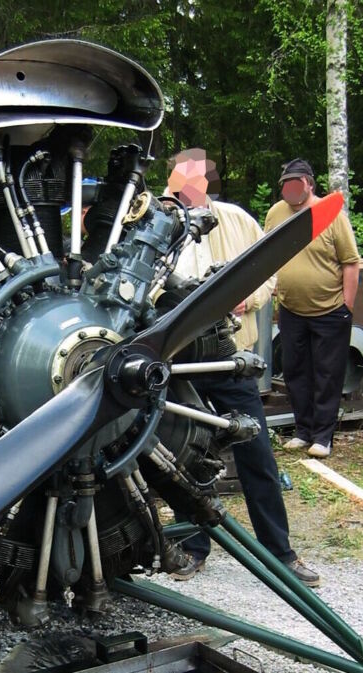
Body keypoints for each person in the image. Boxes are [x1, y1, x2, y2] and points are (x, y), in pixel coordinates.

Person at [165, 149, 320, 586]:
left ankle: (280, 553)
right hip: (179, 361)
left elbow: (269, 272)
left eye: (195, 178)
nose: (187, 187)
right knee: (185, 456)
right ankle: (192, 547)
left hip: (231, 356)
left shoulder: (237, 220)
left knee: (257, 454)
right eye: (180, 179)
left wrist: (246, 299)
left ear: (207, 182)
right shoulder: (158, 224)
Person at [265, 159, 359, 459]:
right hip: (291, 309)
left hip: (330, 310)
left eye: (296, 182)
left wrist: (346, 305)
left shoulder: (331, 215)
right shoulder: (276, 213)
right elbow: (267, 252)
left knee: (327, 374)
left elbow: (351, 263)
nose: (290, 188)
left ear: (309, 184)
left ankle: (322, 436)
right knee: (295, 371)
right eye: (286, 183)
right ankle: (303, 431)